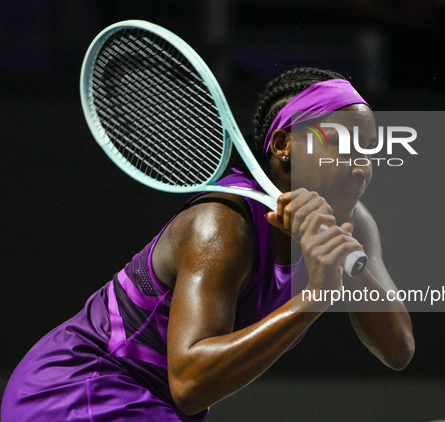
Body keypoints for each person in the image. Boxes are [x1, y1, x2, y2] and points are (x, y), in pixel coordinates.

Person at [1, 67, 414, 422]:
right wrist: (311, 300)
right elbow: (191, 383)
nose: (362, 167)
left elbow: (398, 349)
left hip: (153, 405)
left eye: (369, 151)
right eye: (342, 146)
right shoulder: (221, 226)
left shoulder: (352, 221)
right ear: (285, 144)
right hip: (79, 390)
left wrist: (342, 258)